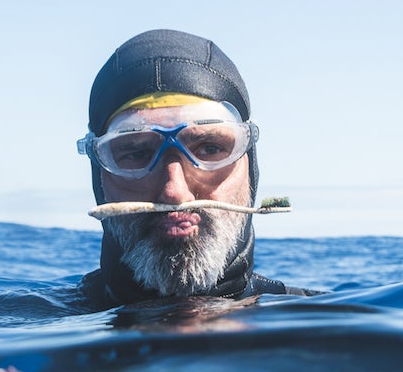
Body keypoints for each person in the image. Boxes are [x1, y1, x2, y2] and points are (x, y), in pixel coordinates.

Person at [77, 29, 317, 311]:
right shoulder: (25, 324)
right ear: (99, 177)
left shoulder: (331, 331)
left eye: (210, 148)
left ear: (250, 166)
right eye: (136, 153)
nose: (175, 193)